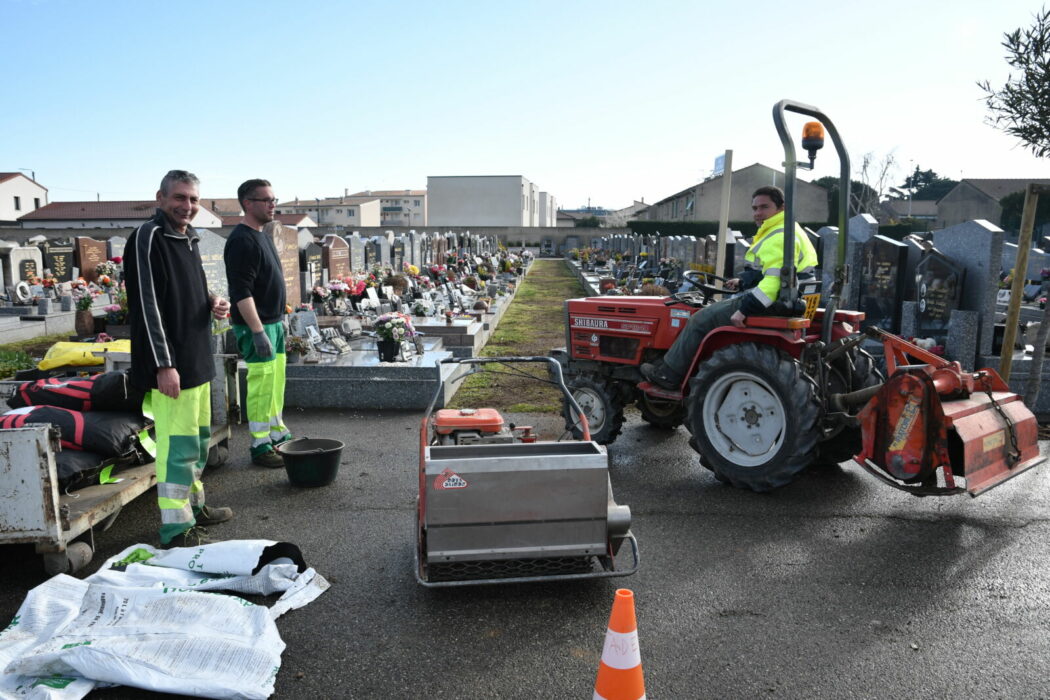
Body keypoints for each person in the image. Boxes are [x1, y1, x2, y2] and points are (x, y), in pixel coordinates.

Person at [124, 170, 233, 547]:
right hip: (172, 366)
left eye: (193, 200)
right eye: (180, 198)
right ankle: (176, 527)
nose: (187, 206)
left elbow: (188, 295)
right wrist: (163, 365)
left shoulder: (189, 239)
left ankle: (195, 506)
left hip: (198, 357)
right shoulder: (147, 238)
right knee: (176, 447)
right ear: (161, 197)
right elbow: (147, 306)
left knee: (198, 441)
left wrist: (213, 304)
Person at [641, 185, 819, 390]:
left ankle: (668, 374)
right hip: (790, 297)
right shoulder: (789, 229)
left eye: (764, 207)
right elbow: (778, 271)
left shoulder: (778, 235)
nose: (758, 213)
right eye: (754, 208)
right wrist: (742, 281)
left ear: (781, 208)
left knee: (699, 319)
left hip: (774, 301)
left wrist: (743, 310)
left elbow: (773, 283)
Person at [224, 179, 291, 468]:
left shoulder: (262, 234)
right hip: (258, 327)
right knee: (261, 386)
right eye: (266, 200)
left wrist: (281, 319)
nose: (272, 204)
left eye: (274, 199)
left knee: (275, 384)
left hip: (273, 323)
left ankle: (277, 434)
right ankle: (260, 444)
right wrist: (258, 331)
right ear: (247, 203)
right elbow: (241, 292)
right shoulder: (241, 240)